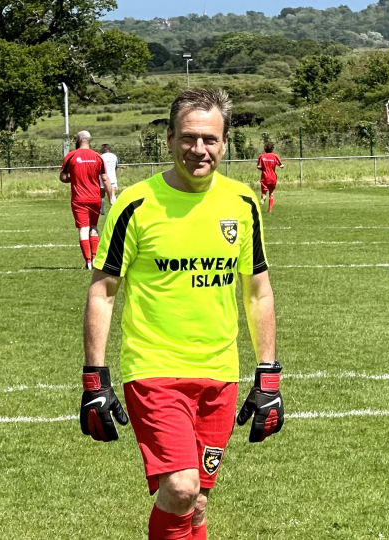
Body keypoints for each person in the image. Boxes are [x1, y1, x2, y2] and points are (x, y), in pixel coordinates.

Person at [80, 88, 284, 540]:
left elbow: (258, 292)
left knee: (199, 501)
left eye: (210, 140)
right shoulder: (135, 205)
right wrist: (94, 377)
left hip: (219, 374)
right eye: (189, 138)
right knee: (181, 486)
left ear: (226, 142)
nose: (199, 150)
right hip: (155, 370)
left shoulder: (242, 202)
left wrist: (267, 374)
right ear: (170, 138)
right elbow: (103, 292)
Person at [60, 131, 109, 269]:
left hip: (79, 199)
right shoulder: (97, 157)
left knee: (83, 229)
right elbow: (104, 178)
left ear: (79, 139)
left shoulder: (71, 156)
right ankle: (94, 258)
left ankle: (87, 261)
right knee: (93, 228)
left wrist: (74, 179)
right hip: (95, 198)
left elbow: (63, 177)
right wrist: (111, 196)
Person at [256, 141, 283, 213]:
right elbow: (281, 165)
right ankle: (270, 209)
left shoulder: (261, 156)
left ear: (265, 148)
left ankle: (263, 196)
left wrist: (263, 169)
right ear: (272, 149)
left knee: (264, 192)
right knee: (271, 193)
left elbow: (258, 166)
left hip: (264, 177)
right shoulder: (275, 156)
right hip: (273, 177)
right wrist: (281, 166)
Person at [99, 143, 119, 214]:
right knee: (112, 194)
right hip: (112, 177)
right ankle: (116, 210)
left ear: (102, 149)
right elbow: (116, 166)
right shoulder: (114, 156)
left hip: (102, 178)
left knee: (102, 194)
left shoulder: (100, 157)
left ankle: (102, 210)